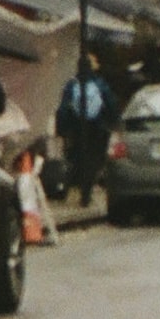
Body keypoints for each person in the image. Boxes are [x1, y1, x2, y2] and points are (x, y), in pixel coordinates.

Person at [57, 55, 115, 206]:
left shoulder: (71, 84)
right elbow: (111, 104)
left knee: (75, 159)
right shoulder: (100, 84)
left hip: (76, 127)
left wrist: (62, 129)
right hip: (96, 128)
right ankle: (86, 194)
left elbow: (63, 109)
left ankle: (66, 191)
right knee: (93, 161)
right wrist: (112, 122)